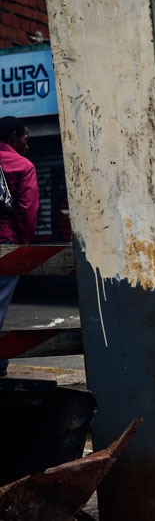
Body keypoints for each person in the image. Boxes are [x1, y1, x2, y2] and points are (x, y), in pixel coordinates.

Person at [0, 117, 39, 377]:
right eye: (25, 137)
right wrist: (24, 246)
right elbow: (27, 210)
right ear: (13, 137)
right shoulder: (22, 166)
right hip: (5, 241)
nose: (28, 143)